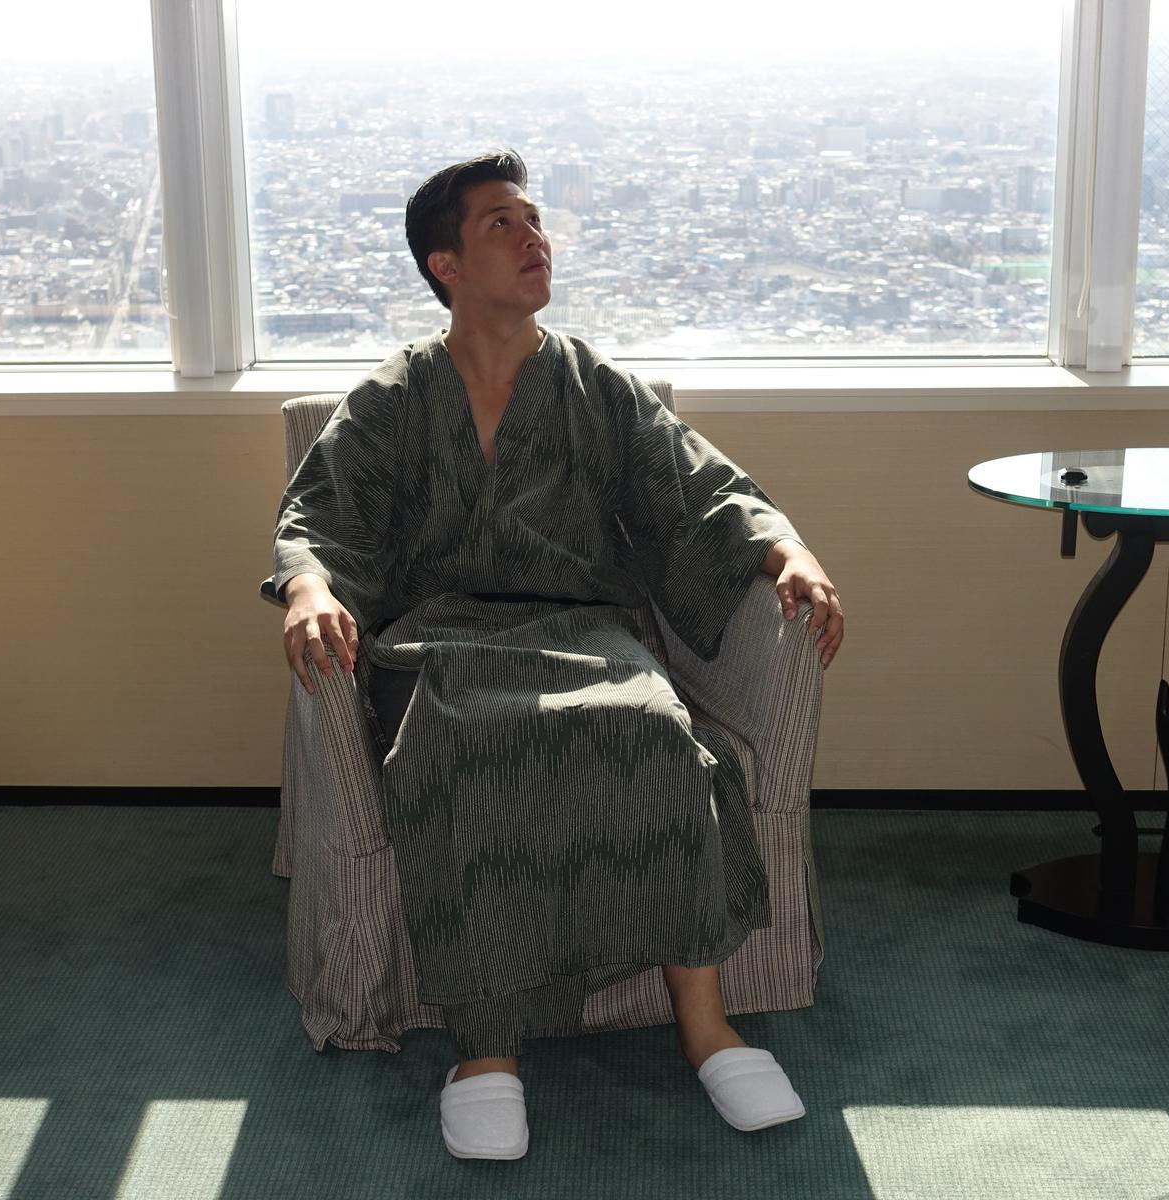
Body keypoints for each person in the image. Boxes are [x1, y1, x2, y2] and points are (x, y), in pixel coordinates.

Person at [263, 150, 846, 1160]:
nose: (536, 239)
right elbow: (319, 517)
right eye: (503, 223)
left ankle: (706, 1026)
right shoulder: (393, 399)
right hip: (441, 644)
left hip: (585, 635)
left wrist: (787, 549)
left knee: (660, 734)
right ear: (444, 263)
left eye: (536, 220)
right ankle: (488, 1048)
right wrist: (310, 586)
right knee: (452, 750)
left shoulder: (590, 384)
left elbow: (701, 485)